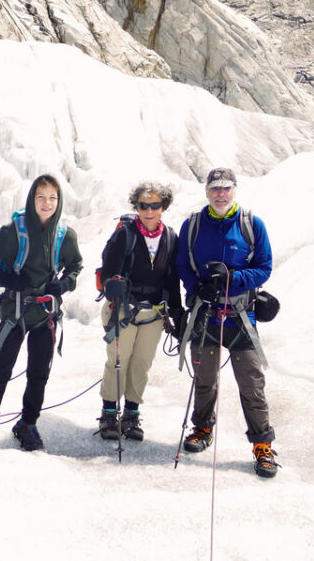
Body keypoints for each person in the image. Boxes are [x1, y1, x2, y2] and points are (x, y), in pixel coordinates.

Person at [176, 167, 278, 478]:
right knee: (204, 378)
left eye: (226, 188)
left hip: (240, 317)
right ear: (207, 191)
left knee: (251, 384)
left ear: (234, 190)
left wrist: (232, 279)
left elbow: (264, 267)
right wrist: (198, 286)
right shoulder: (193, 225)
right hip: (205, 315)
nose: (220, 194)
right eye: (215, 188)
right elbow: (182, 264)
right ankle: (202, 428)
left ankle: (263, 445)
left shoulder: (251, 224)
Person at [0, 174, 82, 452]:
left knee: (38, 374)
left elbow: (75, 266)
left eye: (53, 198)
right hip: (15, 312)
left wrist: (64, 284)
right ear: (32, 199)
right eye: (41, 197)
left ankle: (28, 424)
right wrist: (4, 278)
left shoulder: (65, 235)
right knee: (0, 372)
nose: (47, 203)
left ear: (59, 201)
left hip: (44, 313)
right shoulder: (13, 233)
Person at [95, 182, 183, 442]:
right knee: (118, 361)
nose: (149, 211)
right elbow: (108, 270)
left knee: (141, 363)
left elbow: (172, 279)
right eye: (144, 206)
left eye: (155, 205)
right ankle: (109, 412)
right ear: (136, 207)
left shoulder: (170, 238)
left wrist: (177, 313)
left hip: (153, 314)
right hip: (123, 310)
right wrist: (113, 284)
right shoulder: (125, 234)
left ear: (164, 207)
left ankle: (131, 413)